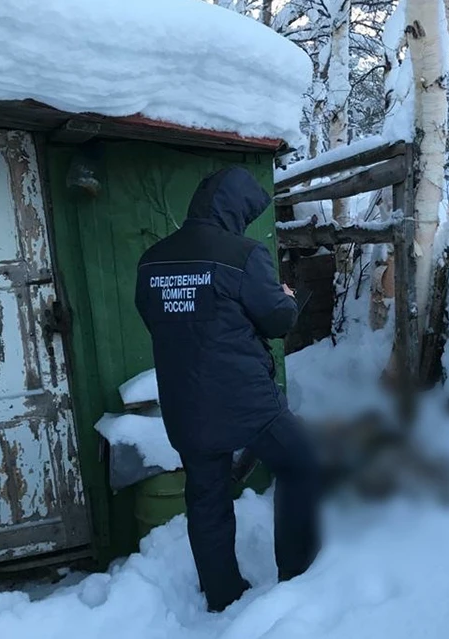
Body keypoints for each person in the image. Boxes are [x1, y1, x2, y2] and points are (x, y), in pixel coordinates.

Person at [134, 167, 321, 613]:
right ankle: (297, 577)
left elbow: (155, 319)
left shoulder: (152, 260)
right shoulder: (244, 255)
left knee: (207, 497)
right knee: (301, 464)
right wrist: (288, 297)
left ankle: (221, 594)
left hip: (185, 403)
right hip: (246, 401)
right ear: (235, 209)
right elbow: (278, 320)